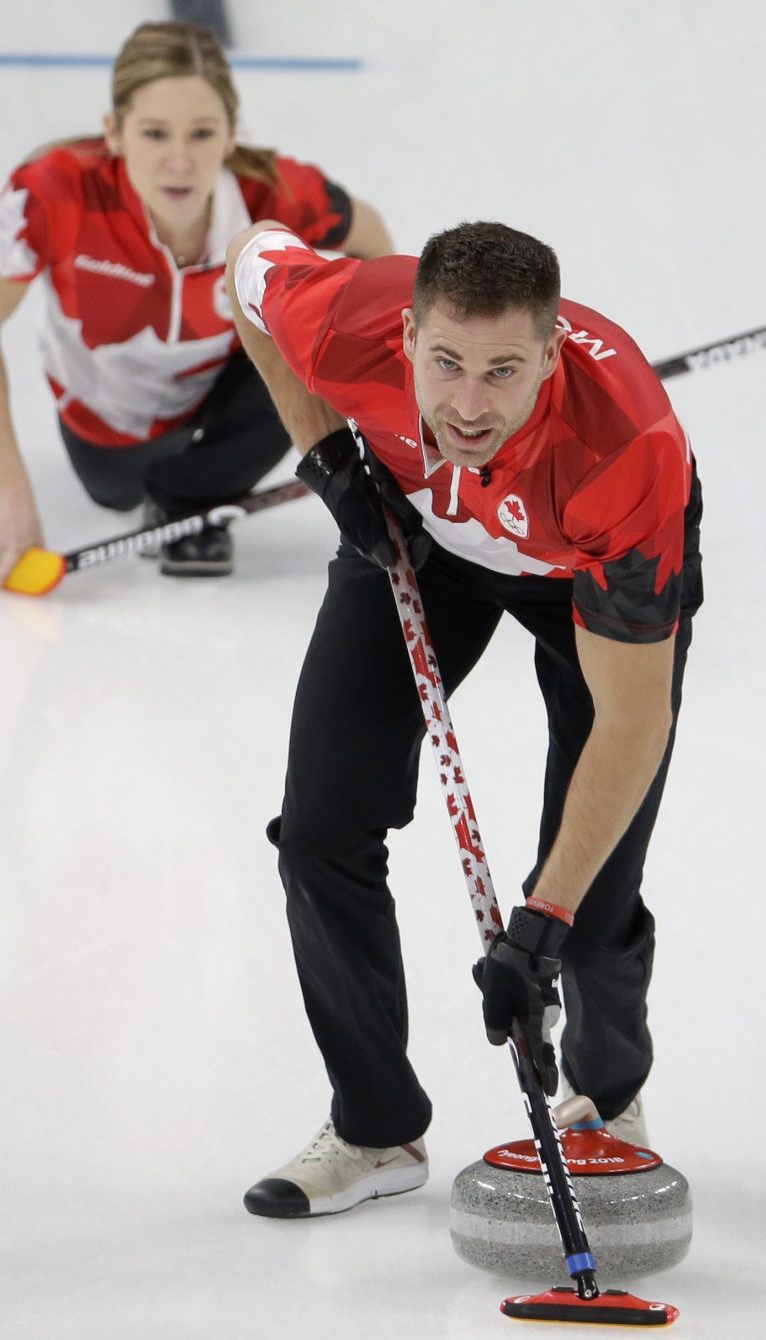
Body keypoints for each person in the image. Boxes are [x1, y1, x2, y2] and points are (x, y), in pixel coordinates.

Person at [223, 218, 704, 1219]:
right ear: (404, 336)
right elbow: (249, 266)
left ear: (551, 354)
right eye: (444, 363)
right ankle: (374, 1127)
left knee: (589, 897)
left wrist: (540, 926)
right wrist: (326, 455)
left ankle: (605, 1097)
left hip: (574, 568)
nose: (468, 404)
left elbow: (631, 722)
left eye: (502, 371)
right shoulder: (347, 324)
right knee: (319, 831)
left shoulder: (622, 455)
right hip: (417, 531)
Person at [0, 21, 393, 585]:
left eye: (202, 133)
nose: (179, 160)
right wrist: (10, 494)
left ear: (230, 134)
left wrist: (386, 411)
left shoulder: (274, 193)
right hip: (111, 428)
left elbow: (372, 241)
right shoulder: (52, 192)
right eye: (155, 134)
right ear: (114, 132)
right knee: (115, 490)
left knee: (309, 326)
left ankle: (189, 499)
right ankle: (180, 492)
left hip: (226, 388)